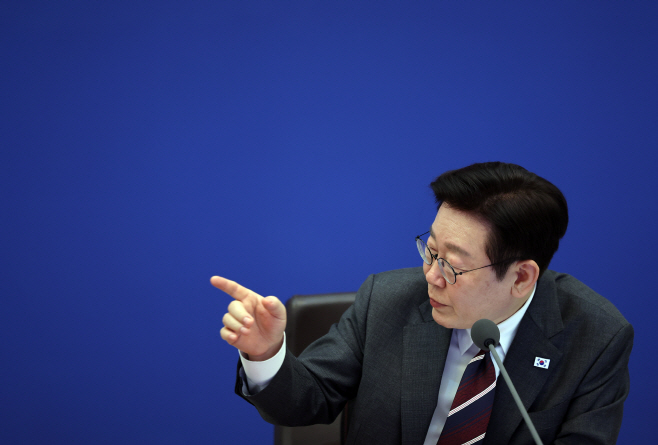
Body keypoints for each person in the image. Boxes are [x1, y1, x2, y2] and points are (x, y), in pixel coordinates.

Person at [212, 162, 633, 444]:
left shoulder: (595, 338)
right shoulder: (387, 299)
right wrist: (265, 353)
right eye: (431, 251)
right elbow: (307, 399)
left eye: (453, 266)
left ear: (521, 277)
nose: (431, 276)